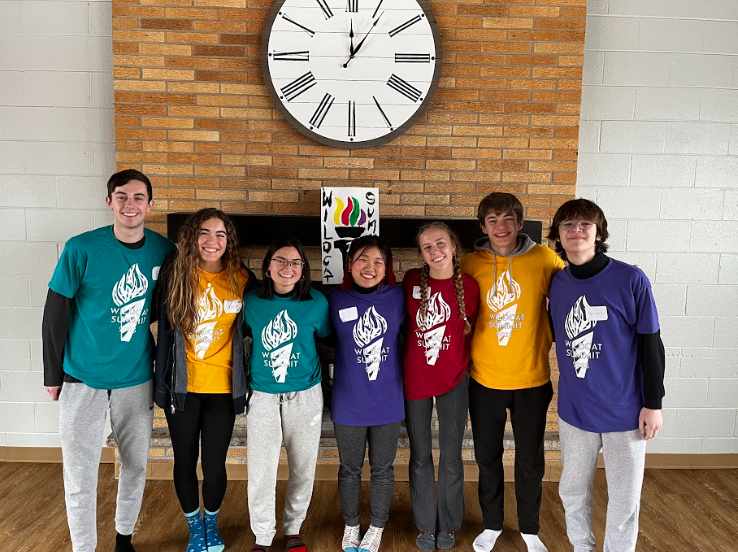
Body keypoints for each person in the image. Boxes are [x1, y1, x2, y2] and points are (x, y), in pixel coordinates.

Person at [42, 169, 176, 552]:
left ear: (150, 204)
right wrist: (53, 373)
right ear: (109, 202)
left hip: (135, 377)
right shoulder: (80, 248)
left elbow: (162, 309)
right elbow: (55, 312)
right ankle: (83, 547)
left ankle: (124, 538)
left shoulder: (164, 251)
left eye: (137, 197)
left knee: (134, 465)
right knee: (80, 472)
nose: (129, 204)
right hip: (80, 377)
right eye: (121, 196)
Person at [547, 198, 665, 552]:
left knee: (624, 498)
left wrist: (653, 403)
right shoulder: (556, 284)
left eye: (585, 224)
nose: (576, 231)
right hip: (575, 410)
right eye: (567, 225)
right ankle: (582, 546)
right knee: (570, 489)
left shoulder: (631, 279)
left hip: (625, 412)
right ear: (558, 235)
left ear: (599, 234)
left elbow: (651, 345)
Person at [460, 193, 564, 552]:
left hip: (532, 380)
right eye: (492, 220)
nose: (500, 227)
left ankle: (530, 528)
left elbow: (573, 297)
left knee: (530, 458)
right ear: (482, 226)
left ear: (520, 224)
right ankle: (491, 524)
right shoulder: (470, 264)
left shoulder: (545, 259)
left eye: (508, 219)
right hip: (484, 379)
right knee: (487, 456)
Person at [154, 209, 256, 552]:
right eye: (204, 233)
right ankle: (195, 528)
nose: (212, 241)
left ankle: (211, 524)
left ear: (229, 242)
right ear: (191, 237)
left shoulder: (243, 278)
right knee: (184, 460)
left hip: (223, 390)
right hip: (183, 388)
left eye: (220, 234)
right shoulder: (175, 274)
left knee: (214, 465)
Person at [243, 237, 331, 552]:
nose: (287, 268)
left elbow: (323, 335)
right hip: (263, 396)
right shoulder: (251, 301)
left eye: (295, 263)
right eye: (280, 260)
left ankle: (293, 529)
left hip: (305, 394)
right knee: (261, 470)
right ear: (267, 267)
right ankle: (263, 536)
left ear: (303, 270)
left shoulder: (317, 303)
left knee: (303, 467)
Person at [402, 223, 479, 552]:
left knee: (450, 457)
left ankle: (449, 523)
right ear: (420, 253)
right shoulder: (409, 282)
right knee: (420, 456)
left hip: (453, 382)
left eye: (441, 243)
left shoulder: (471, 287)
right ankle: (424, 523)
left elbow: (475, 332)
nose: (435, 251)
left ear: (454, 246)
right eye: (427, 247)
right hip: (415, 381)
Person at [328, 236, 406, 552]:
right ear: (349, 264)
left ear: (386, 268)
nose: (369, 267)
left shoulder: (398, 297)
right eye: (362, 259)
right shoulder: (334, 300)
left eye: (377, 261)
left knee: (382, 468)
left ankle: (376, 527)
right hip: (348, 401)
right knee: (349, 468)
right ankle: (350, 525)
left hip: (388, 400)